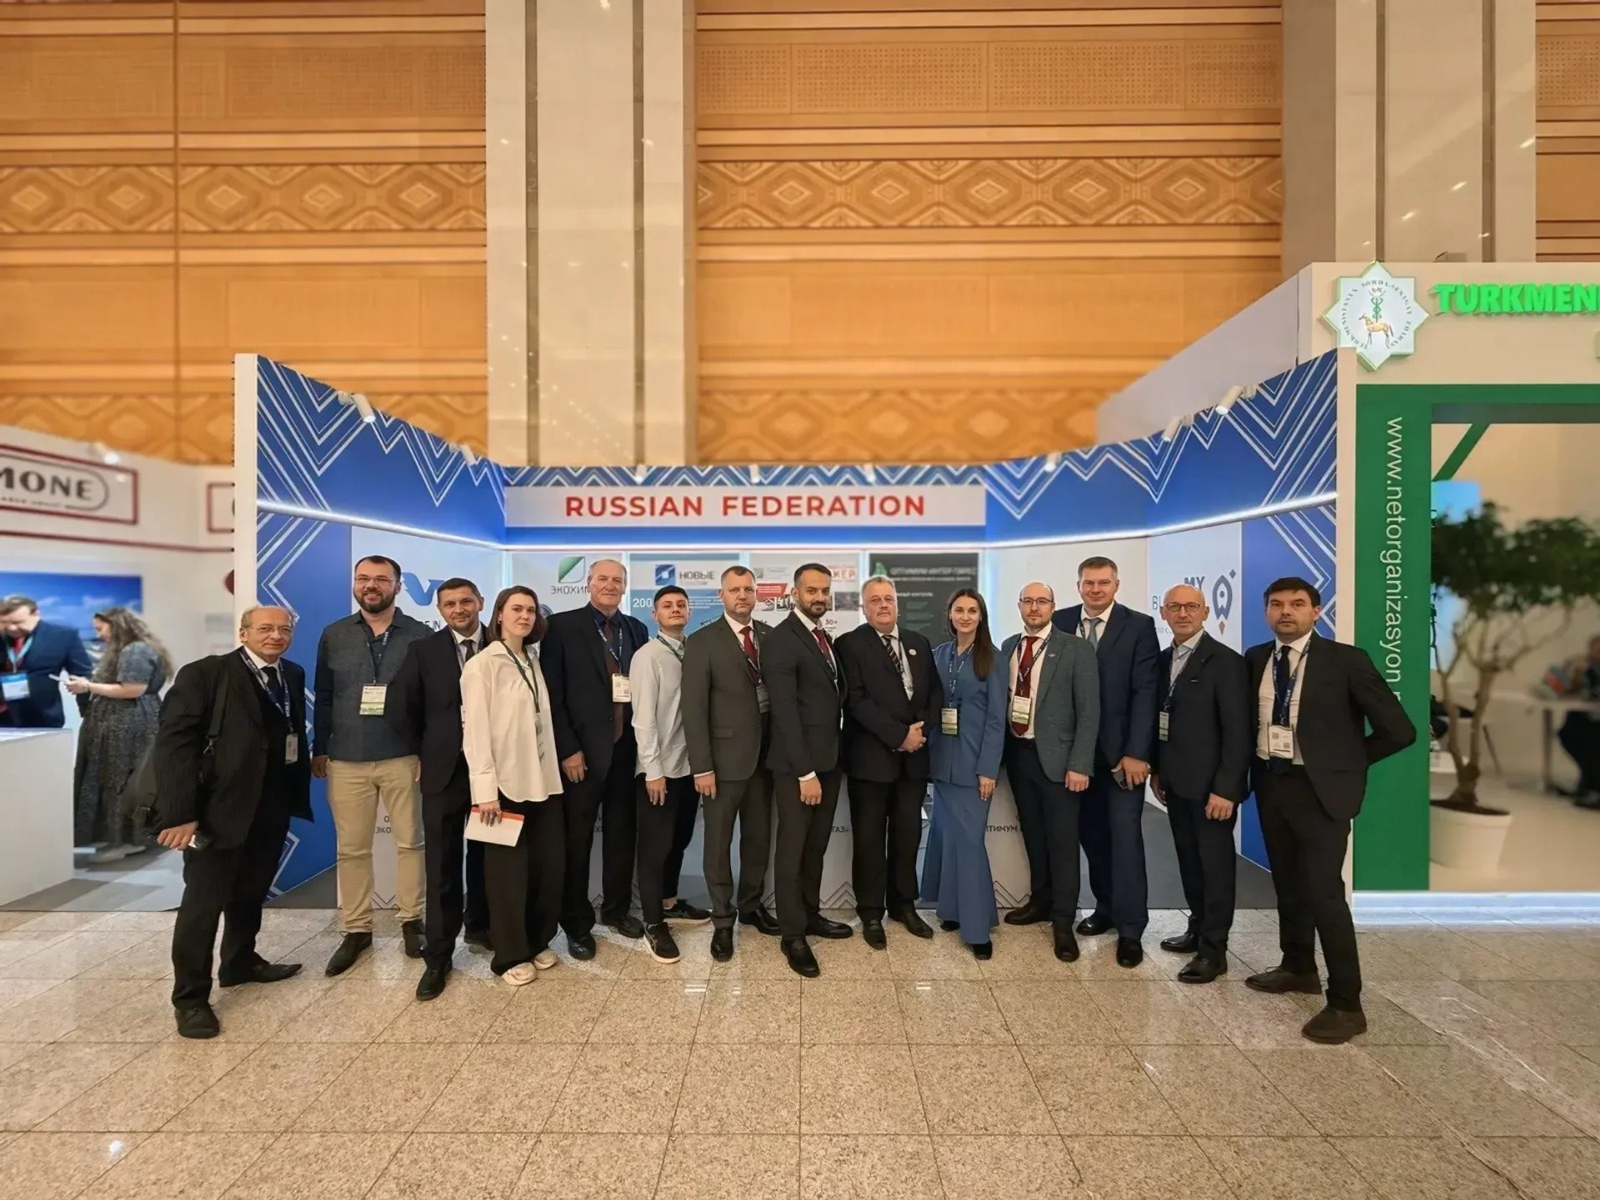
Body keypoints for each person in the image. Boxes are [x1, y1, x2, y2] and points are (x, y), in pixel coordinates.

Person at [1244, 576, 1416, 1044]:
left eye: (1297, 604)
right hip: (1273, 783)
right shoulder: (1257, 658)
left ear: (1316, 611)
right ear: (1266, 611)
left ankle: (1346, 1004)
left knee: (1325, 894)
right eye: (1276, 604)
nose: (1286, 612)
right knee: (1288, 883)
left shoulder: (1346, 661)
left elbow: (1400, 730)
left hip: (1321, 793)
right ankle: (1298, 966)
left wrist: (1344, 763)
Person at [155, 605, 312, 1038]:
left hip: (270, 807)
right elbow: (174, 745)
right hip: (216, 811)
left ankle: (240, 962)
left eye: (283, 629)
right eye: (265, 628)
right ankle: (190, 998)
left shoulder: (291, 674)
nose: (276, 636)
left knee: (250, 892)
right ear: (243, 633)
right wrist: (181, 814)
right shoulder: (205, 674)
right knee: (202, 905)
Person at [313, 556, 432, 975]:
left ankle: (412, 921)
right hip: (346, 757)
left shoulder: (419, 634)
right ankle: (357, 928)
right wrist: (319, 748)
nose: (371, 585)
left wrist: (426, 751)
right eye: (363, 578)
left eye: (382, 579)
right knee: (351, 848)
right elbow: (323, 696)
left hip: (404, 756)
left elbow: (429, 700)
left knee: (411, 843)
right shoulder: (334, 634)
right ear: (355, 584)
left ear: (398, 586)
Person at [385, 577, 493, 1001]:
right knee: (443, 864)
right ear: (440, 609)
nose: (459, 609)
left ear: (481, 602)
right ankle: (439, 956)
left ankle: (484, 928)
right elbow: (399, 709)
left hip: (495, 775)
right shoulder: (423, 650)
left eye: (466, 601)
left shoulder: (503, 644)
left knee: (490, 857)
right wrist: (427, 750)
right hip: (444, 773)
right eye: (450, 604)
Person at [1052, 556, 1160, 969]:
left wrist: (1137, 753)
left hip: (1120, 759)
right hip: (1074, 757)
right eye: (1089, 583)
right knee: (1092, 837)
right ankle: (1106, 908)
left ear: (1116, 585)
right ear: (1078, 586)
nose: (1096, 589)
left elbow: (1145, 693)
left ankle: (1131, 930)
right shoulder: (1061, 621)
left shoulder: (1139, 626)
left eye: (1103, 582)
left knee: (1125, 840)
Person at [542, 558, 650, 958]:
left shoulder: (635, 629)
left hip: (626, 751)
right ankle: (575, 923)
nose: (610, 585)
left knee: (622, 836)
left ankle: (617, 910)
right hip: (581, 755)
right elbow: (551, 694)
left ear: (625, 586)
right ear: (588, 583)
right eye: (602, 578)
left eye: (617, 580)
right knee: (577, 842)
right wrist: (568, 748)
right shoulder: (561, 626)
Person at [460, 586, 565, 986]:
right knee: (507, 877)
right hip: (503, 787)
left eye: (531, 610)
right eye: (516, 609)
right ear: (499, 614)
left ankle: (536, 941)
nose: (524, 616)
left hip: (542, 782)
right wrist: (485, 792)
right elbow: (475, 734)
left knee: (543, 869)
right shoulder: (483, 665)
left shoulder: (531, 659)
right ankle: (509, 955)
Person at [1148, 584, 1251, 984]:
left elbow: (1238, 732)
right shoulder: (1163, 660)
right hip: (1176, 783)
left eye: (1191, 607)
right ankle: (1197, 928)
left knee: (1215, 868)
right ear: (1163, 613)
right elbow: (1163, 720)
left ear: (1206, 612)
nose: (1183, 614)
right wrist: (1159, 770)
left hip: (1212, 790)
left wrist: (1227, 788)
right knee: (1190, 863)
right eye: (1174, 607)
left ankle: (1214, 950)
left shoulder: (1226, 662)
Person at [835, 575, 941, 949]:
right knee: (868, 839)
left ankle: (903, 905)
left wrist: (919, 731)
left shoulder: (918, 642)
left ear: (897, 603)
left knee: (908, 836)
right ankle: (870, 912)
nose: (883, 605)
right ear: (864, 607)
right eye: (875, 600)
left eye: (889, 599)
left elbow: (934, 694)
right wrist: (899, 736)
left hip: (913, 762)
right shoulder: (849, 644)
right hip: (871, 761)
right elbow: (856, 701)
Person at [682, 565, 779, 963]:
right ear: (721, 595)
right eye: (734, 589)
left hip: (766, 761)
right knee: (718, 845)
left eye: (748, 589)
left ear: (757, 595)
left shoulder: (771, 637)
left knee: (758, 839)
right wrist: (702, 767)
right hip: (721, 765)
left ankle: (751, 906)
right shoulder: (702, 641)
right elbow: (693, 709)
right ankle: (723, 920)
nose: (742, 595)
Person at [1001, 581, 1100, 963]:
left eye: (1041, 601)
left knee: (1062, 844)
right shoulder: (1009, 646)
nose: (1034, 608)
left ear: (1053, 607)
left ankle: (1063, 920)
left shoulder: (1076, 649)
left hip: (1060, 763)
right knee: (1034, 835)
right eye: (1027, 601)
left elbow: (1089, 713)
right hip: (1020, 756)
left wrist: (1080, 764)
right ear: (1019, 606)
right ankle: (1040, 902)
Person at [765, 563, 853, 978]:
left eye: (824, 591)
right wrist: (804, 773)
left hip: (828, 762)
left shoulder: (822, 637)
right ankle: (792, 935)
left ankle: (810, 914)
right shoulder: (782, 640)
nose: (819, 597)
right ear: (794, 593)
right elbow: (784, 712)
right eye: (811, 590)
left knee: (815, 846)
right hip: (798, 768)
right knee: (793, 849)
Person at [920, 589, 1006, 960]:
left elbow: (997, 719)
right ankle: (953, 910)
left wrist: (988, 769)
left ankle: (977, 929)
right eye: (960, 610)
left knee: (970, 843)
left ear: (981, 616)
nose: (966, 616)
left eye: (973, 610)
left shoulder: (994, 659)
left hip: (974, 767)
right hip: (942, 762)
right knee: (950, 839)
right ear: (950, 615)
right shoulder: (939, 655)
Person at [630, 585, 712, 965]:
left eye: (681, 604)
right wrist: (652, 770)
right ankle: (653, 922)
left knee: (679, 840)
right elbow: (643, 718)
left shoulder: (694, 651)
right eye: (667, 605)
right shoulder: (648, 656)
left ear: (689, 612)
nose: (675, 609)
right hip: (659, 771)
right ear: (655, 614)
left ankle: (669, 902)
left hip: (689, 768)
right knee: (655, 848)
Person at [68, 608, 171, 864]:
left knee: (119, 779)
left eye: (100, 628)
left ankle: (126, 840)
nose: (99, 634)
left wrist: (87, 686)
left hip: (126, 723)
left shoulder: (134, 650)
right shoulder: (135, 648)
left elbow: (132, 689)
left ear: (116, 625)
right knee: (121, 778)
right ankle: (123, 837)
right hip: (125, 721)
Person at [0, 594, 92, 729]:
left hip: (43, 716)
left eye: (17, 622)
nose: (11, 628)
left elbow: (82, 674)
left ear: (36, 614)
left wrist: (87, 712)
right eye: (4, 622)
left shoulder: (62, 636)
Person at [1559, 635, 1600, 809]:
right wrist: (1573, 672)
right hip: (1585, 719)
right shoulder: (1586, 668)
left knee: (1592, 743)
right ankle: (1588, 783)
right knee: (1568, 732)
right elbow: (1569, 691)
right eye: (1594, 649)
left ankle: (1592, 787)